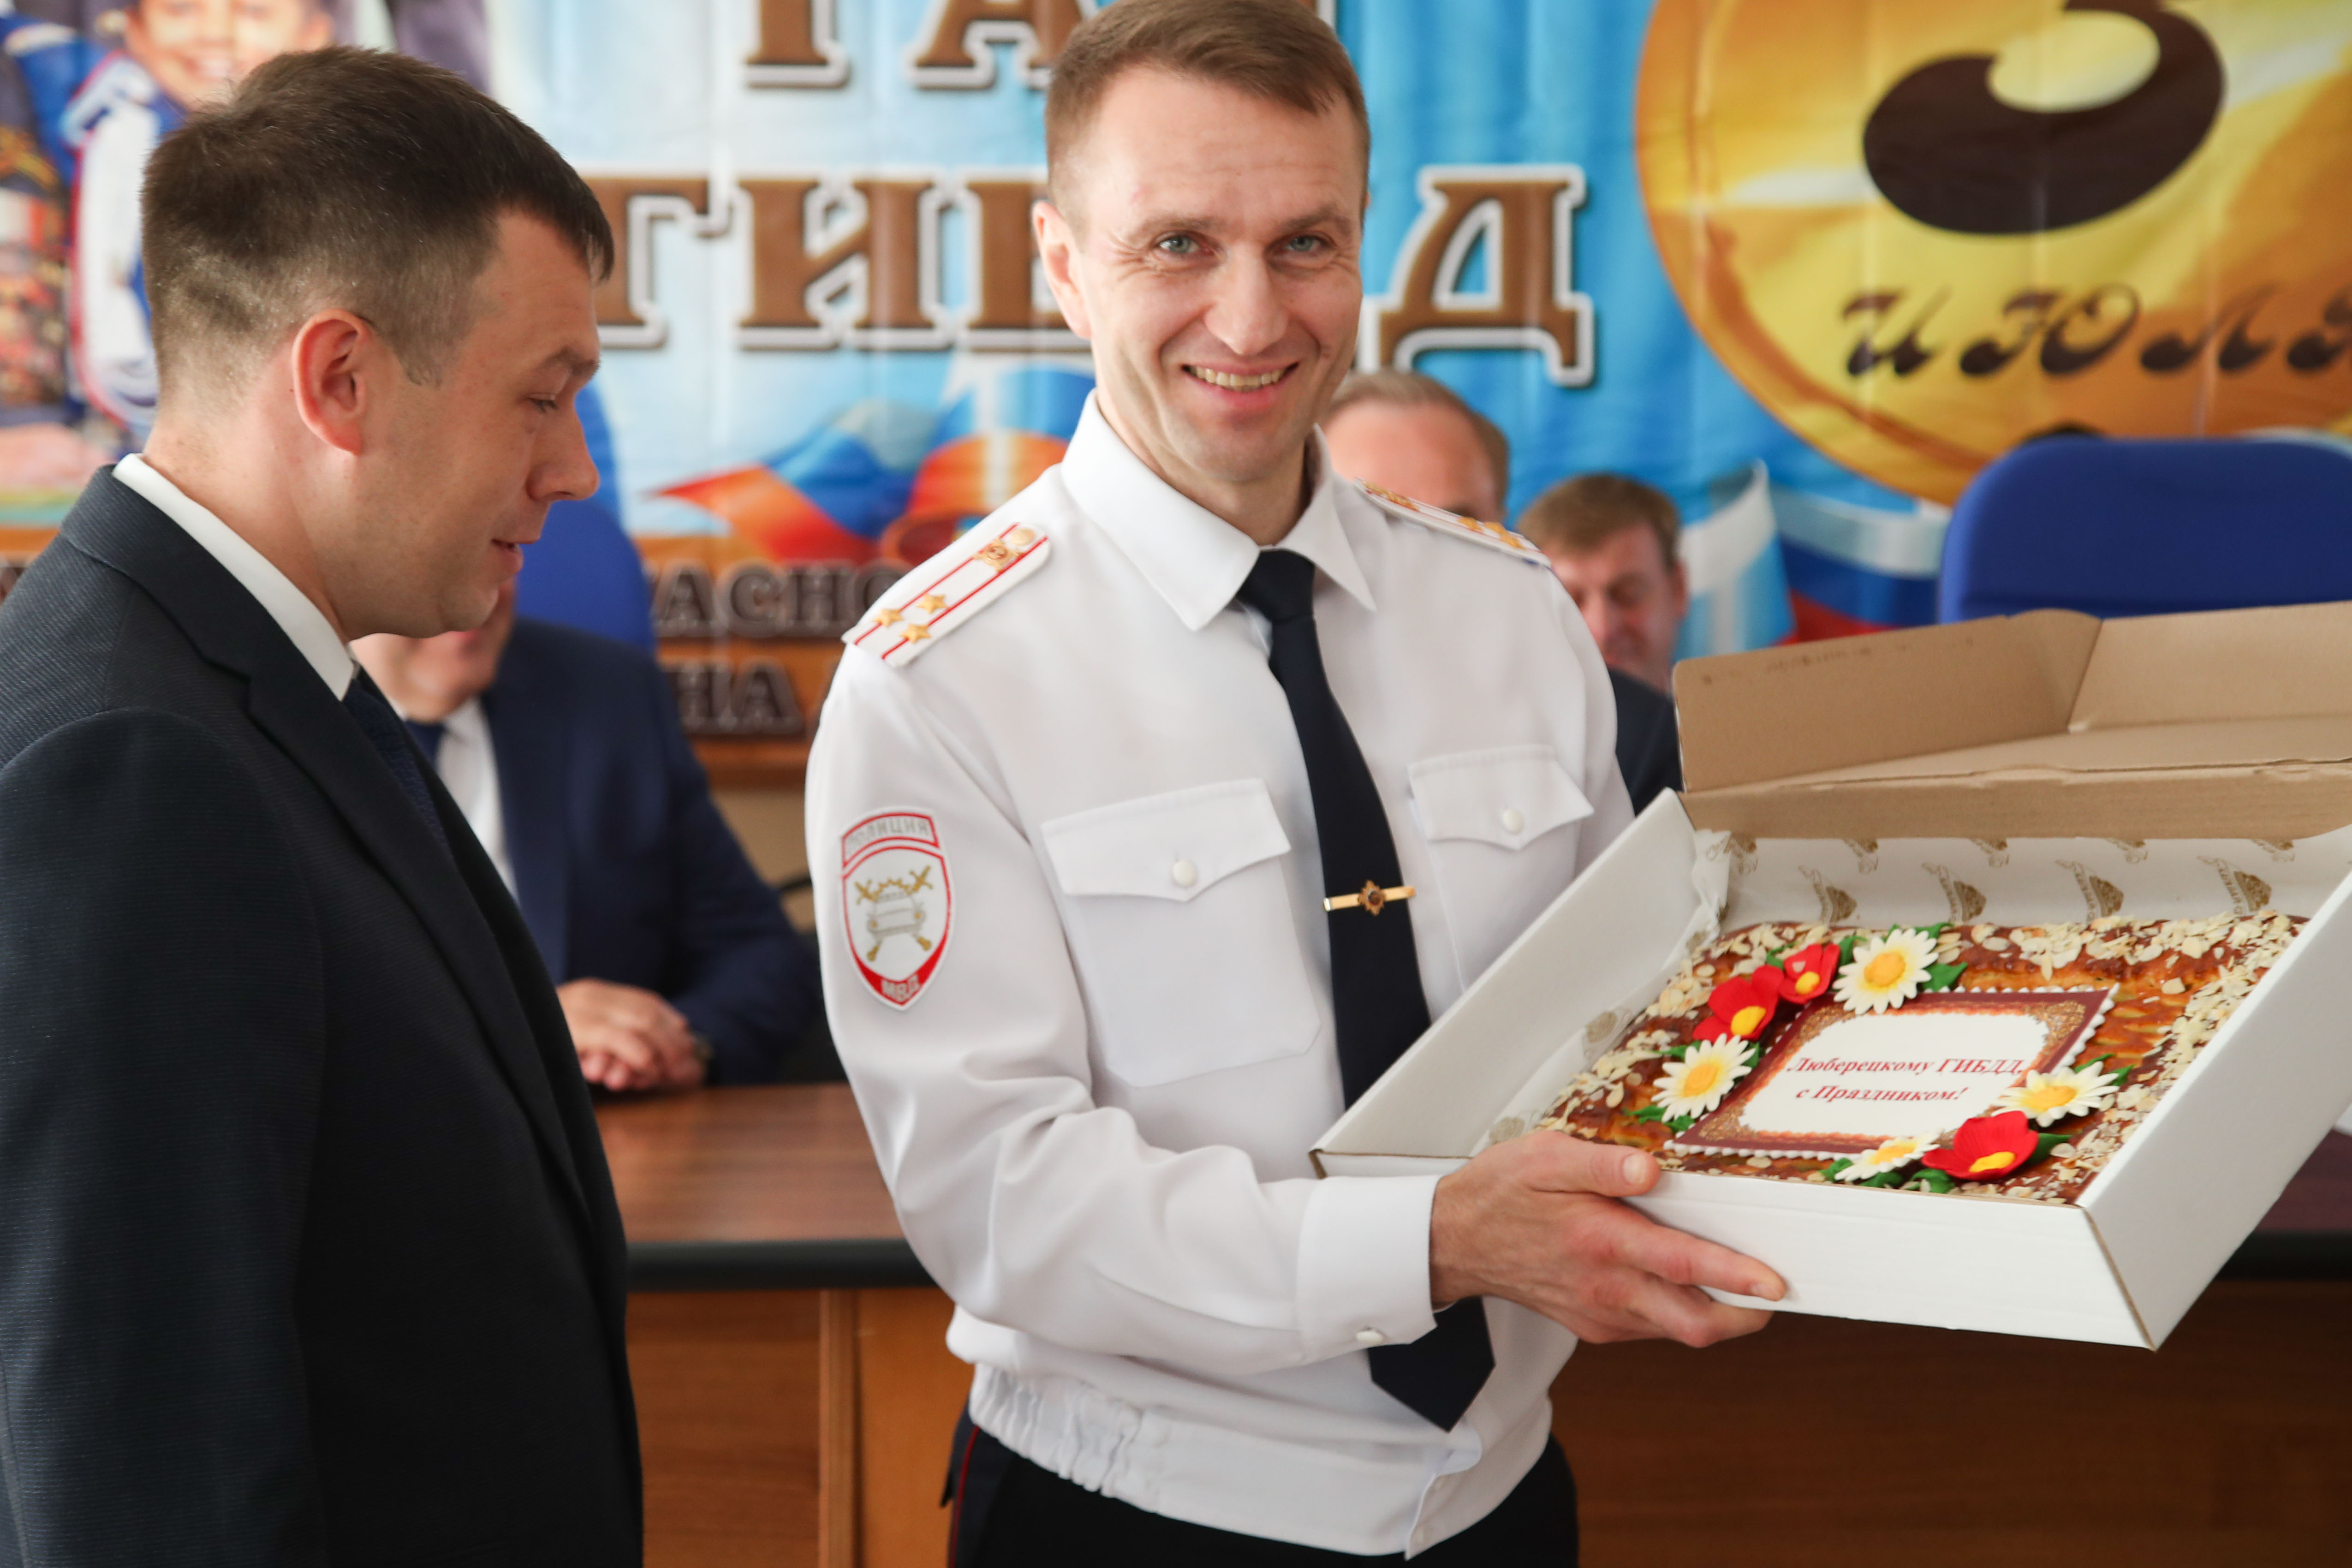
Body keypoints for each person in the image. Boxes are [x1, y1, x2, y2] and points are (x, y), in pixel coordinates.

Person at [807, 3, 1782, 1563]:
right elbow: (1003, 1199)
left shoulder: (1506, 609)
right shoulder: (936, 679)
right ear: (1062, 262)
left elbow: (1625, 1020)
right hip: (1140, 1513)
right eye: (1177, 244)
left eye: (1304, 242)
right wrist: (1432, 1242)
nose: (1250, 316)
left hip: (1499, 1493)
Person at [0, 48, 640, 1559]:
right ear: (341, 378)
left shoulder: (257, 682)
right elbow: (146, 1469)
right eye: (542, 397)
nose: (573, 470)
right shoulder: (136, 766)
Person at [352, 583, 822, 1091]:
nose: (480, 592)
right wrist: (528, 1027)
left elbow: (758, 952)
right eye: (443, 553)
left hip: (617, 1125)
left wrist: (680, 1045)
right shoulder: (287, 726)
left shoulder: (609, 694)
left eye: (496, 550)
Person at [1323, 369, 1682, 811]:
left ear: (1505, 532)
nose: (1417, 558)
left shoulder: (1622, 733)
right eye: (1375, 522)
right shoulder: (1251, 711)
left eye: (1456, 527)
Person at [64, 0, 332, 441]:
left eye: (254, 11)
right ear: (135, 28)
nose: (216, 33)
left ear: (314, 35)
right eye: (181, 9)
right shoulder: (85, 155)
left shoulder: (358, 180)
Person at [1518, 472, 1691, 698]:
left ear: (1677, 589)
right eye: (1570, 602)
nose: (1603, 629)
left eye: (1628, 595)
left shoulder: (1732, 717)